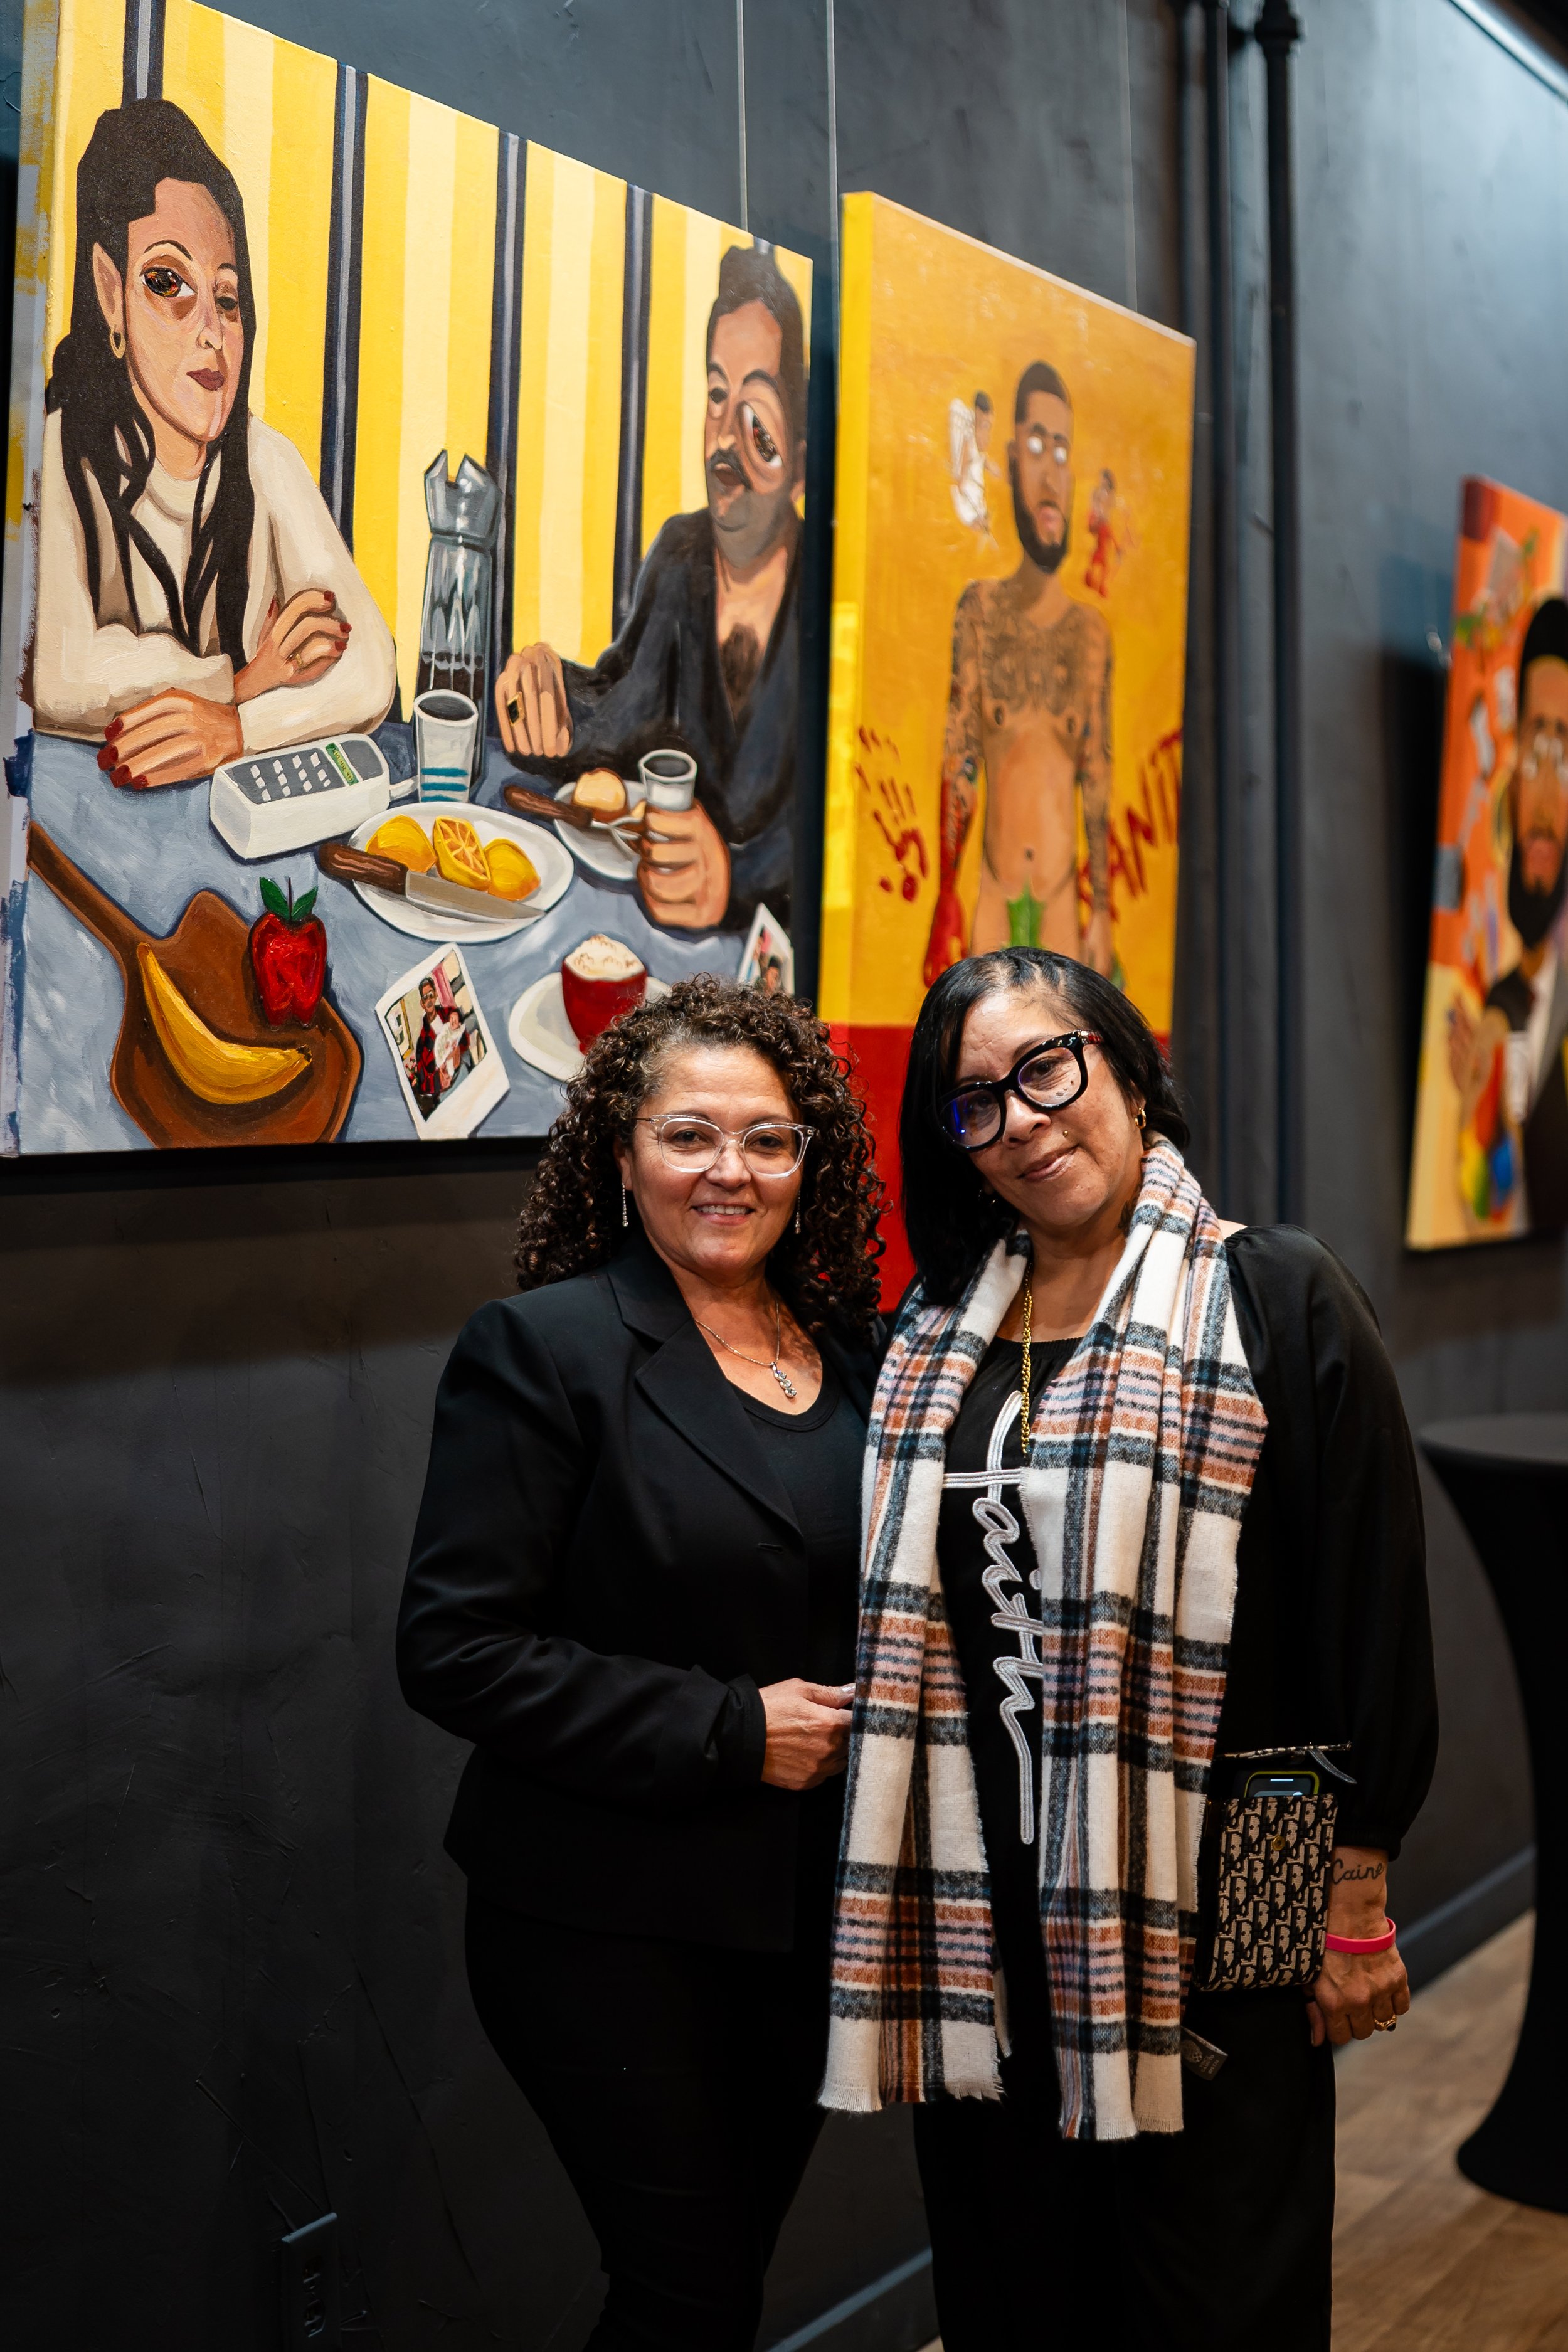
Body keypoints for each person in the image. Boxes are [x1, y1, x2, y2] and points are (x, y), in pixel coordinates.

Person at [822, 946, 1438, 2351]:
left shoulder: (1273, 1298)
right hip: (983, 1908)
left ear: (1123, 1066)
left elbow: (1372, 1622)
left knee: (1219, 2277)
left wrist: (1350, 1903)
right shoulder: (932, 1342)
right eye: (975, 1102)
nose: (1024, 1119)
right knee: (1014, 2283)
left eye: (1048, 1068)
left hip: (1237, 1880)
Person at [398, 976, 885, 2350]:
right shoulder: (544, 1351)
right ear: (620, 1156)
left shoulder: (855, 1356)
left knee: (719, 2284)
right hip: (605, 1919)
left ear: (808, 1161)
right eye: (688, 1134)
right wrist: (732, 1730)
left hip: (800, 1922)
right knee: (688, 2289)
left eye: (767, 1139)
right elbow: (452, 1649)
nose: (729, 1169)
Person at [35, 99, 395, 783]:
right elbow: (58, 674)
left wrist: (237, 728)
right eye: (168, 283)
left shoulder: (265, 460)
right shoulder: (59, 454)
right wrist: (240, 678)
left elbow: (371, 667)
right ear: (110, 294)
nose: (211, 330)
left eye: (226, 299)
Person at [494, 245, 807, 934]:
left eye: (755, 411)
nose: (725, 436)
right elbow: (619, 711)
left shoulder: (830, 604)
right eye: (716, 395)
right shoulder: (681, 554)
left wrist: (736, 877)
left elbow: (837, 831)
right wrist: (544, 697)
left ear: (803, 457)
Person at [923, 362, 1115, 985]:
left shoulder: (1090, 635)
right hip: (989, 921)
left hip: (1065, 924)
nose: (1050, 467)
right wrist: (945, 893)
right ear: (1009, 458)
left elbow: (1098, 775)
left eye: (1061, 449)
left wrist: (1104, 912)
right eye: (1035, 444)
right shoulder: (978, 611)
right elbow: (960, 758)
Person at [1449, 594, 1568, 1230]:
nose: (1546, 790)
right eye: (1534, 743)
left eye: (1565, 752)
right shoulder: (1505, 998)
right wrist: (1477, 1104)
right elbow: (1480, 1205)